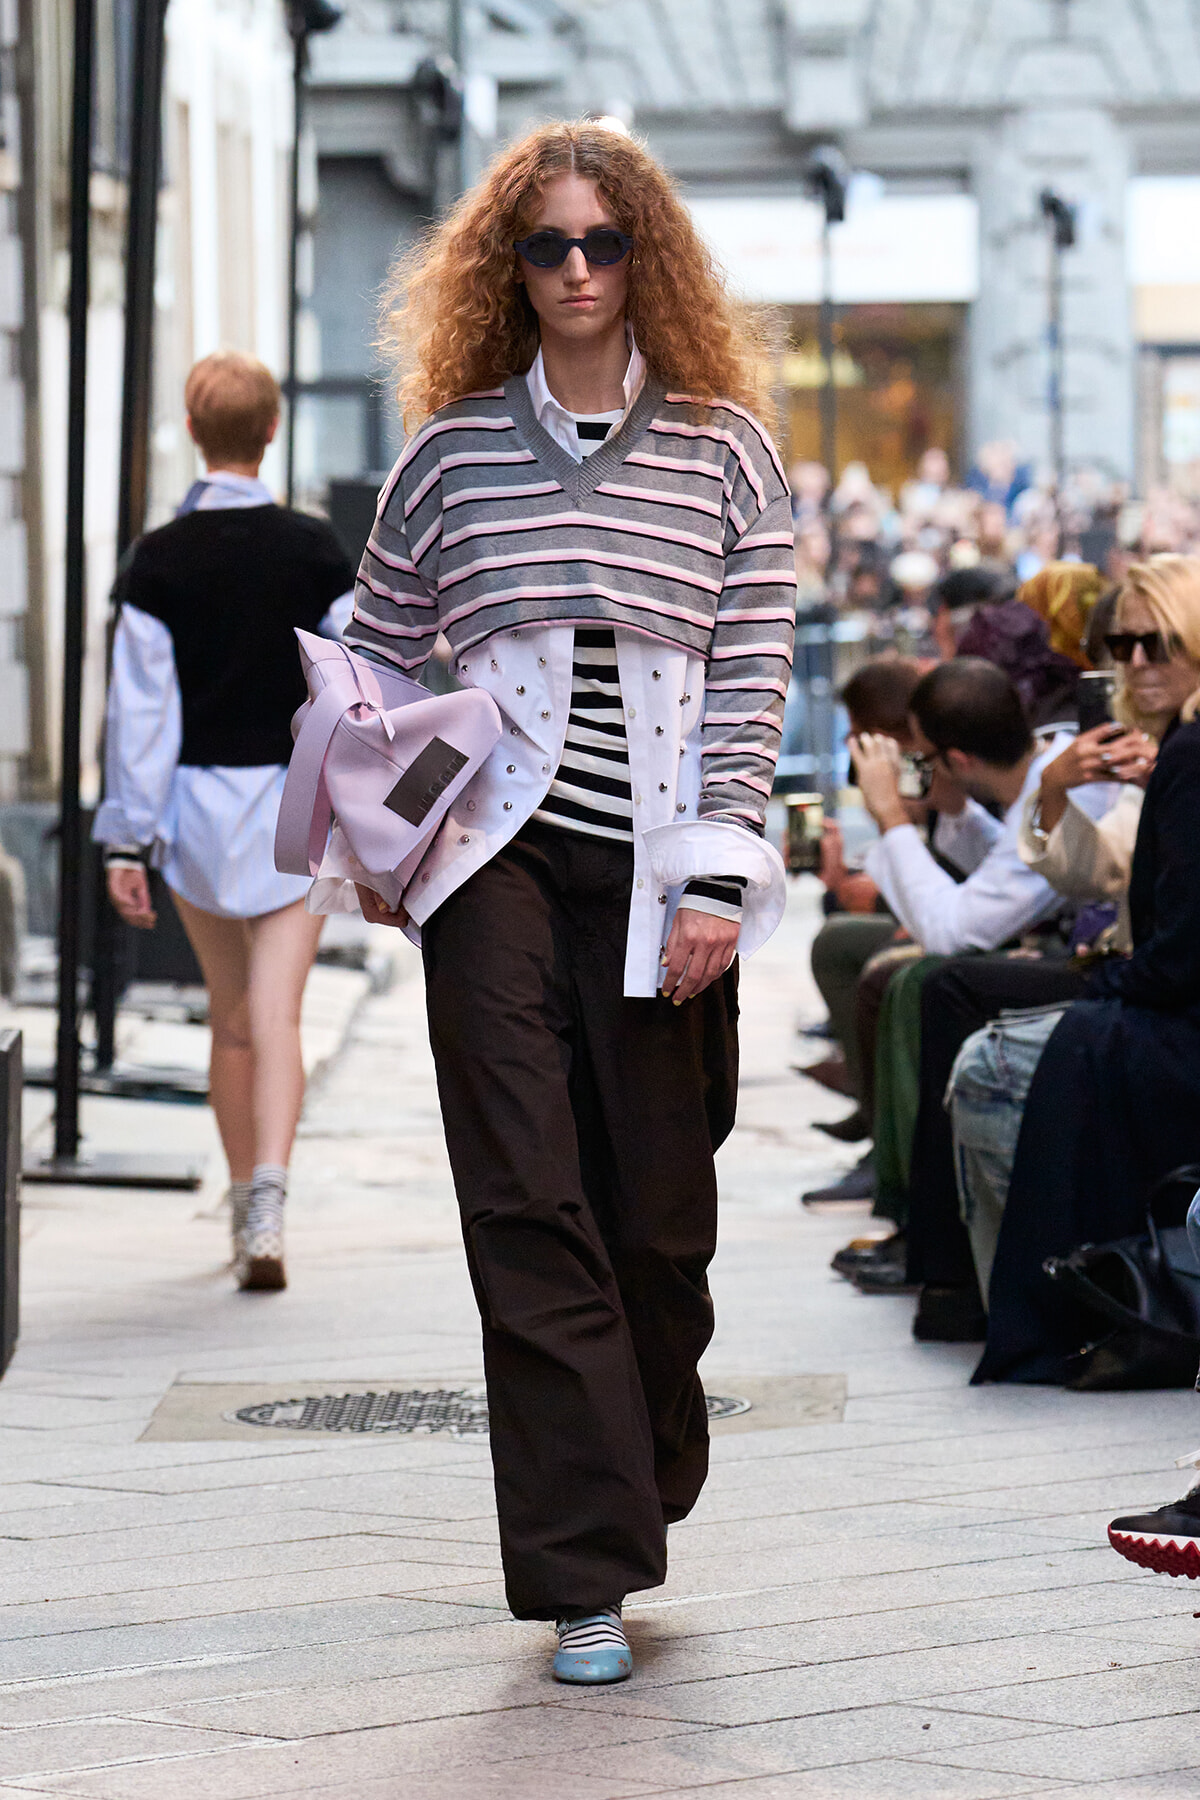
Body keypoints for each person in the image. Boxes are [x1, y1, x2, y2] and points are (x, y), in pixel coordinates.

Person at [337, 121, 795, 1684]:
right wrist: (397, 841)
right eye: (549, 246)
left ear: (646, 255)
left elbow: (753, 672)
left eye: (607, 244)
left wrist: (719, 871)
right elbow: (380, 656)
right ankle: (582, 1569)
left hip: (666, 866)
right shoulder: (451, 453)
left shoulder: (727, 450)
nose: (581, 271)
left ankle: (635, 1468)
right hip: (498, 863)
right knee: (527, 1197)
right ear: (506, 266)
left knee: (660, 1225)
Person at [95, 351, 356, 1291]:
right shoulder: (317, 550)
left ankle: (243, 1195)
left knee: (232, 1019)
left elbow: (141, 716)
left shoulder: (157, 561)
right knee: (281, 1013)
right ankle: (273, 1204)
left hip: (197, 808)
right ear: (273, 432)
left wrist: (125, 835)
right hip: (298, 803)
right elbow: (350, 683)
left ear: (193, 431)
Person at [964, 555, 1200, 1388]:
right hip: (1145, 980)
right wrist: (1053, 791)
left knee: (990, 1059)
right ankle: (1009, 1298)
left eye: (1159, 642)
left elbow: (1134, 899)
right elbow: (1106, 876)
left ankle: (1066, 1302)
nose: (1136, 662)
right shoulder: (1163, 746)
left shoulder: (1184, 749)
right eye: (1121, 643)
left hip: (1160, 997)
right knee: (949, 1007)